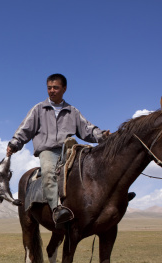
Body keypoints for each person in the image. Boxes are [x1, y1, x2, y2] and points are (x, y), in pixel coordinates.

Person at [6, 73, 110, 224]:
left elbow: (87, 129)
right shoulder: (38, 109)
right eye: (49, 88)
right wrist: (15, 143)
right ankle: (57, 209)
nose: (52, 91)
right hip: (48, 150)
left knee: (95, 165)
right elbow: (25, 129)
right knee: (48, 171)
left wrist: (103, 136)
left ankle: (112, 198)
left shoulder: (72, 111)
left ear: (64, 89)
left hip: (70, 149)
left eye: (56, 87)